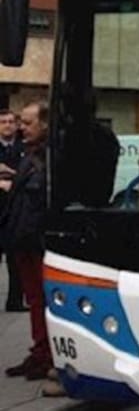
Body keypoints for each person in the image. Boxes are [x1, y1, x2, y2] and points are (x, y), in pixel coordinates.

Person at [0, 101, 64, 396]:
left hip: (36, 240)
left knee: (43, 301)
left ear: (45, 124)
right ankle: (39, 352)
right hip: (22, 239)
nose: (21, 127)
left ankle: (47, 355)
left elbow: (39, 196)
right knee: (35, 300)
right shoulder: (31, 153)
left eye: (27, 122)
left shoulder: (51, 157)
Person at [0, 109, 25, 312]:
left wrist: (10, 174)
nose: (7, 125)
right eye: (3, 122)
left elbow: (29, 174)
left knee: (16, 260)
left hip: (15, 210)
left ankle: (15, 301)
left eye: (10, 121)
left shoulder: (23, 148)